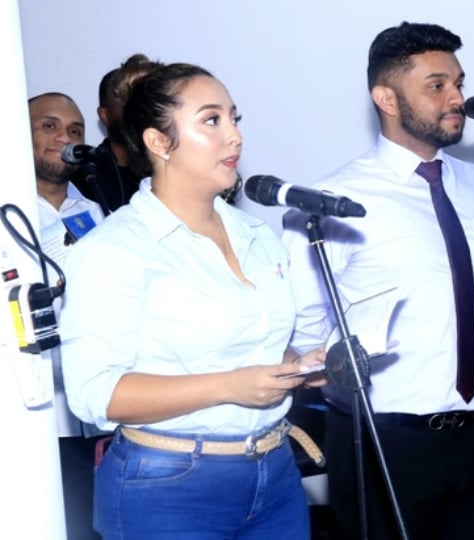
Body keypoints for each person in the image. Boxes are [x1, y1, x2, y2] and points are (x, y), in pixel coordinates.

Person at [60, 62, 324, 540]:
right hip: (168, 486)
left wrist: (298, 365)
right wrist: (230, 385)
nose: (235, 136)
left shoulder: (256, 234)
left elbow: (253, 348)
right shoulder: (116, 249)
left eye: (235, 118)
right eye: (211, 120)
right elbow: (94, 394)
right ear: (159, 142)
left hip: (276, 472)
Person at [282, 21, 474, 540]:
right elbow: (304, 324)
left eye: (458, 81)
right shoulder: (332, 202)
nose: (457, 97)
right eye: (437, 85)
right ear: (386, 98)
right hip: (382, 439)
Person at [29, 91, 105, 540]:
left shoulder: (97, 212)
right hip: (36, 418)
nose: (65, 137)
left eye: (75, 131)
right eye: (49, 126)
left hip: (96, 416)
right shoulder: (8, 210)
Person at [72, 53, 162, 215]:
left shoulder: (166, 168)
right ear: (104, 116)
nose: (140, 112)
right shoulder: (87, 175)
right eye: (128, 103)